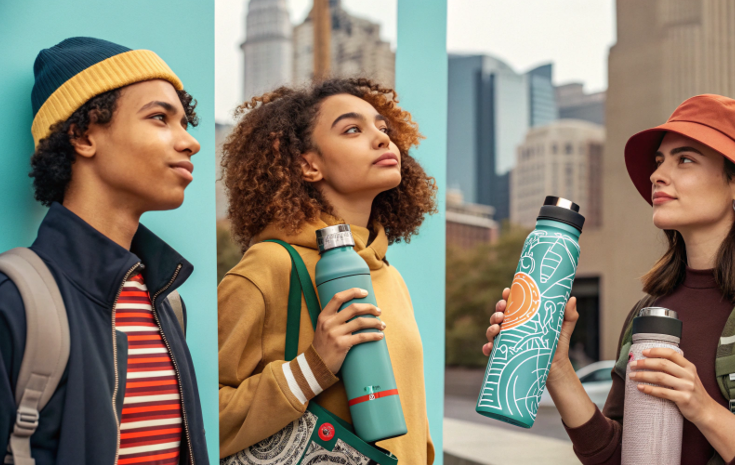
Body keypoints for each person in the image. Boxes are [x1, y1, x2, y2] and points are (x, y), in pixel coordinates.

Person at [485, 95, 735, 464]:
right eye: (659, 161)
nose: (656, 175)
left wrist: (702, 407)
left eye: (685, 159)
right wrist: (558, 369)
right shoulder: (649, 313)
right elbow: (619, 456)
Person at [0, 37, 210, 464]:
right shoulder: (14, 303)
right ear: (82, 135)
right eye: (159, 118)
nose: (190, 143)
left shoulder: (168, 301)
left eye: (185, 124)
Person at [217, 78, 437, 464]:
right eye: (353, 129)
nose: (383, 139)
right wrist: (312, 367)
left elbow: (415, 422)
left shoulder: (388, 275)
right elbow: (200, 415)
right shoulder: (269, 267)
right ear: (308, 164)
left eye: (383, 129)